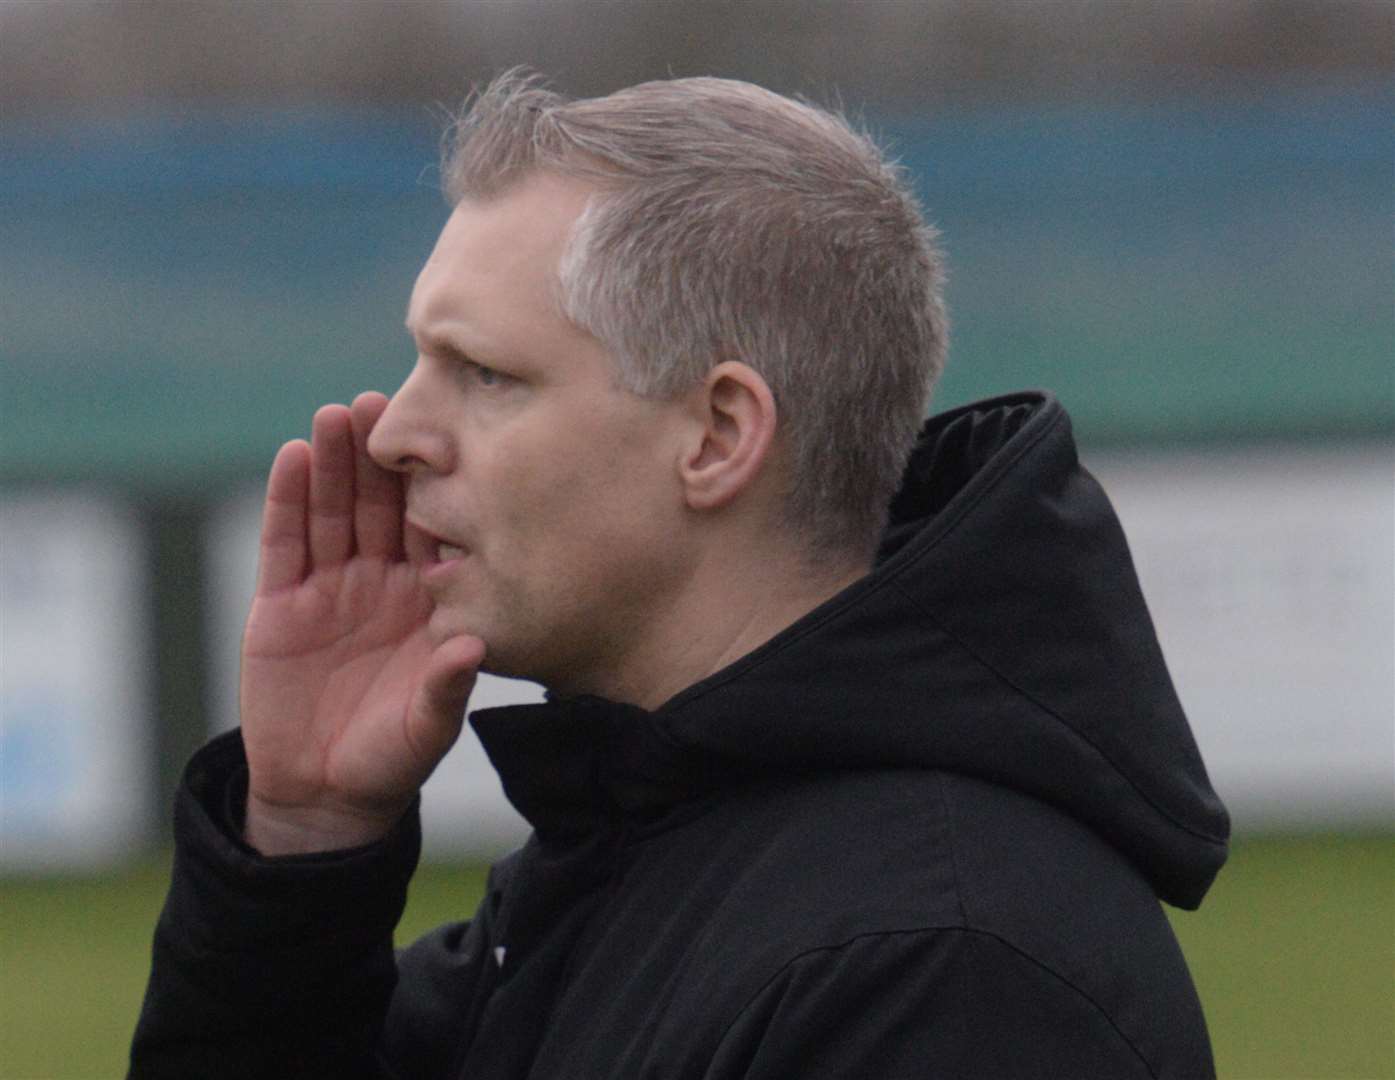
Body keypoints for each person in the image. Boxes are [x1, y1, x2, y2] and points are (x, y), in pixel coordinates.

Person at [130, 70, 1229, 1079]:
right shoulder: (636, 850)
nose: (395, 434)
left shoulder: (945, 968)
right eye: (422, 363)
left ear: (715, 435)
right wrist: (307, 840)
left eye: (486, 374)